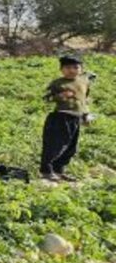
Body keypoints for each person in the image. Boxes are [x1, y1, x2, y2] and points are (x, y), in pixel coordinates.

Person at [40, 54, 93, 182]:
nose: (72, 70)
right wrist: (60, 96)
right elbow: (46, 98)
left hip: (76, 118)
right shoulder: (57, 83)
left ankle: (58, 170)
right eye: (68, 68)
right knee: (56, 145)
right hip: (60, 117)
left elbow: (84, 100)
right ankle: (46, 171)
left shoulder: (84, 82)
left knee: (71, 148)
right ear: (62, 69)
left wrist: (86, 115)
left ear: (81, 69)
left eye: (76, 67)